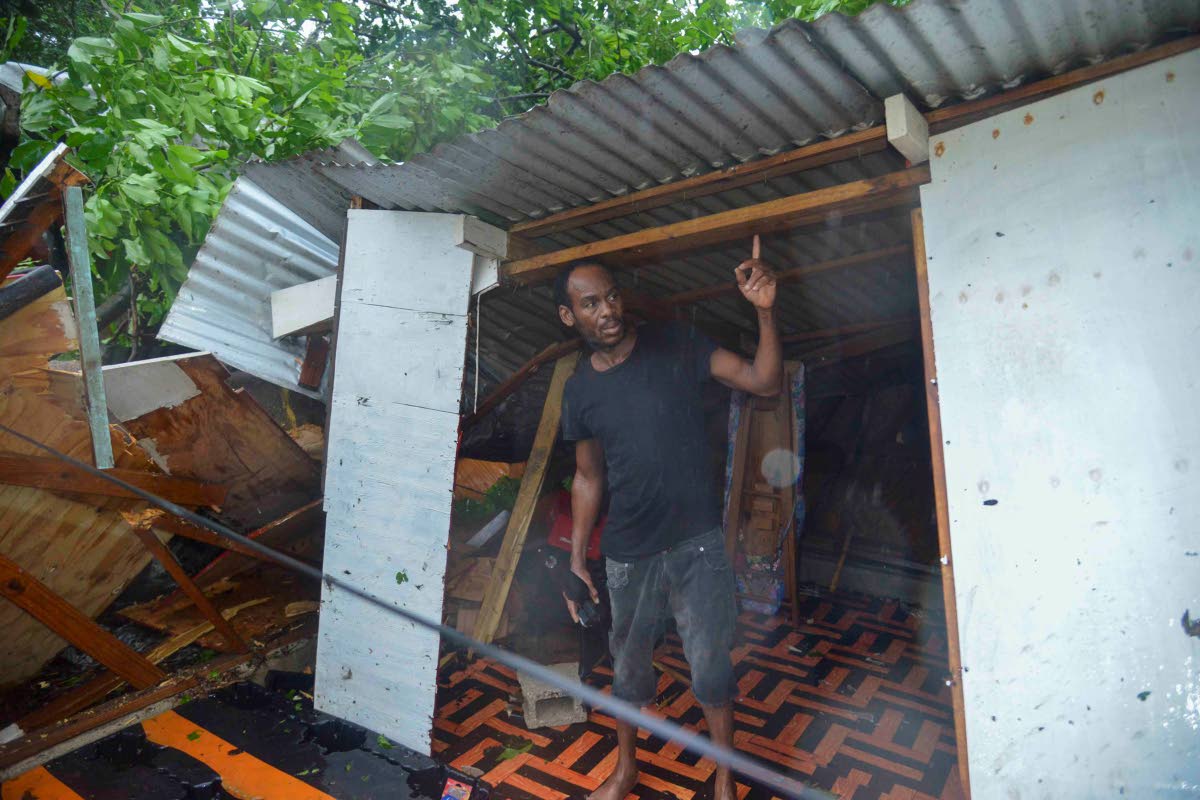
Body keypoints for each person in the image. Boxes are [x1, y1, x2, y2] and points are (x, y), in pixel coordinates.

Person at [556, 236, 782, 800]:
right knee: (627, 669)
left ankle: (724, 777)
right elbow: (588, 477)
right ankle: (626, 768)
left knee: (710, 667)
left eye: (611, 297)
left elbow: (763, 380)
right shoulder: (579, 390)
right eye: (590, 304)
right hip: (629, 551)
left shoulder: (678, 344)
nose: (607, 311)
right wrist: (578, 555)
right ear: (569, 315)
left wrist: (765, 311)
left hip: (696, 545)